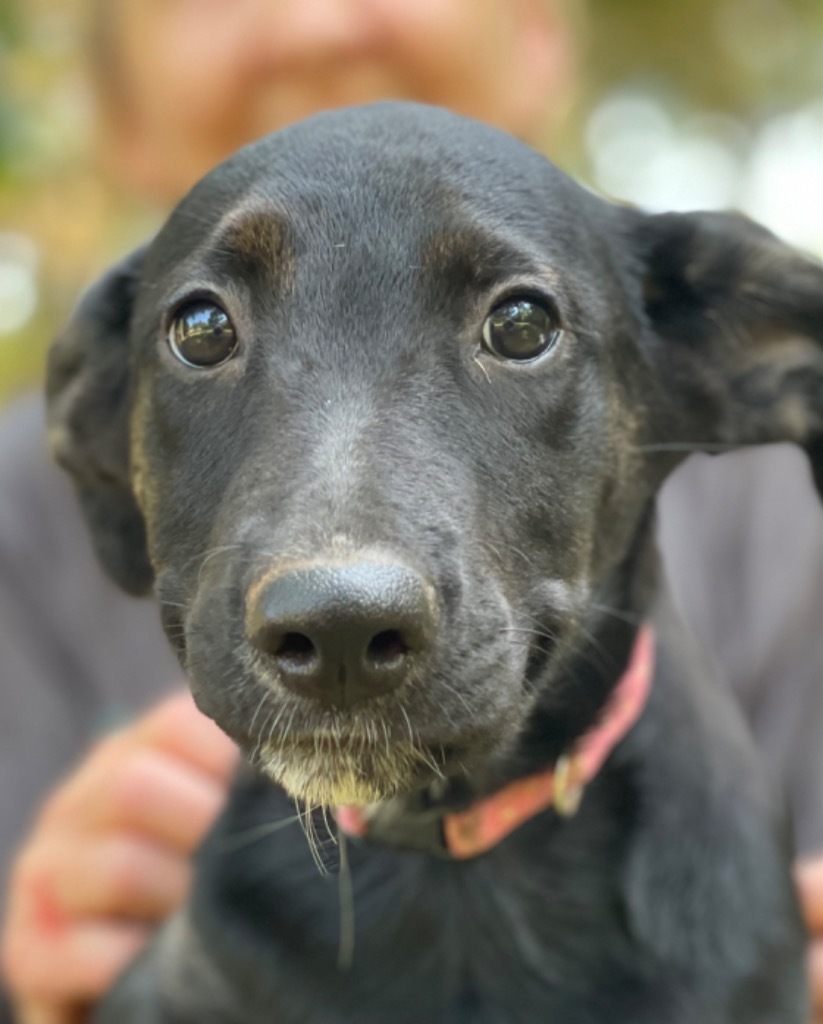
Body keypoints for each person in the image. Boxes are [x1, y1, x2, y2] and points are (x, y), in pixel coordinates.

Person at [1, 2, 821, 1023]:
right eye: (205, 332)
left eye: (518, 326)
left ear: (539, 38)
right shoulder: (13, 529)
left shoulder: (785, 542)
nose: (310, 24)